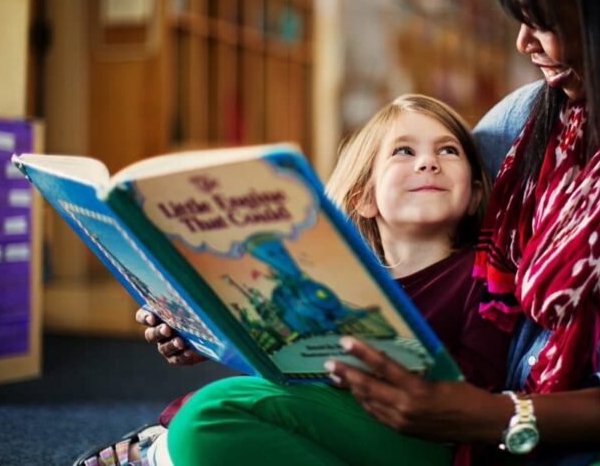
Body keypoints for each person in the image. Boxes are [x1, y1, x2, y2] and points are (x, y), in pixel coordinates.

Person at [171, 0, 600, 465]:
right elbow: (395, 232)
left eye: (543, 19)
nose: (524, 42)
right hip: (462, 440)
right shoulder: (524, 122)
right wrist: (215, 316)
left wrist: (497, 414)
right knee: (214, 417)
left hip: (583, 446)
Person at [75, 94, 509, 466]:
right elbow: (279, 359)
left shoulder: (482, 273)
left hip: (423, 441)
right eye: (404, 152)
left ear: (473, 194)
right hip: (326, 423)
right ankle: (173, 449)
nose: (429, 162)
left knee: (208, 417)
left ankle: (162, 454)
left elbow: (481, 388)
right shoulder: (331, 277)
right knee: (213, 420)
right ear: (365, 197)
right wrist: (201, 335)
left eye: (448, 150)